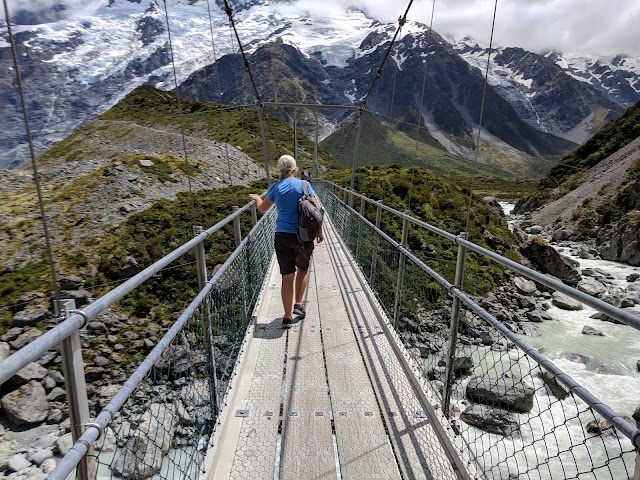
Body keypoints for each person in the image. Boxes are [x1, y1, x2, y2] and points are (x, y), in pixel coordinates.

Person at [249, 155, 324, 328]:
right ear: (295, 169)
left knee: (287, 276)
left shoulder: (275, 187)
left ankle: (287, 317)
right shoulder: (305, 185)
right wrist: (320, 231)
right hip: (304, 235)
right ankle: (299, 303)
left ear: (280, 169)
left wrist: (258, 199)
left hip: (283, 235)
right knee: (303, 269)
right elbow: (316, 211)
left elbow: (262, 209)